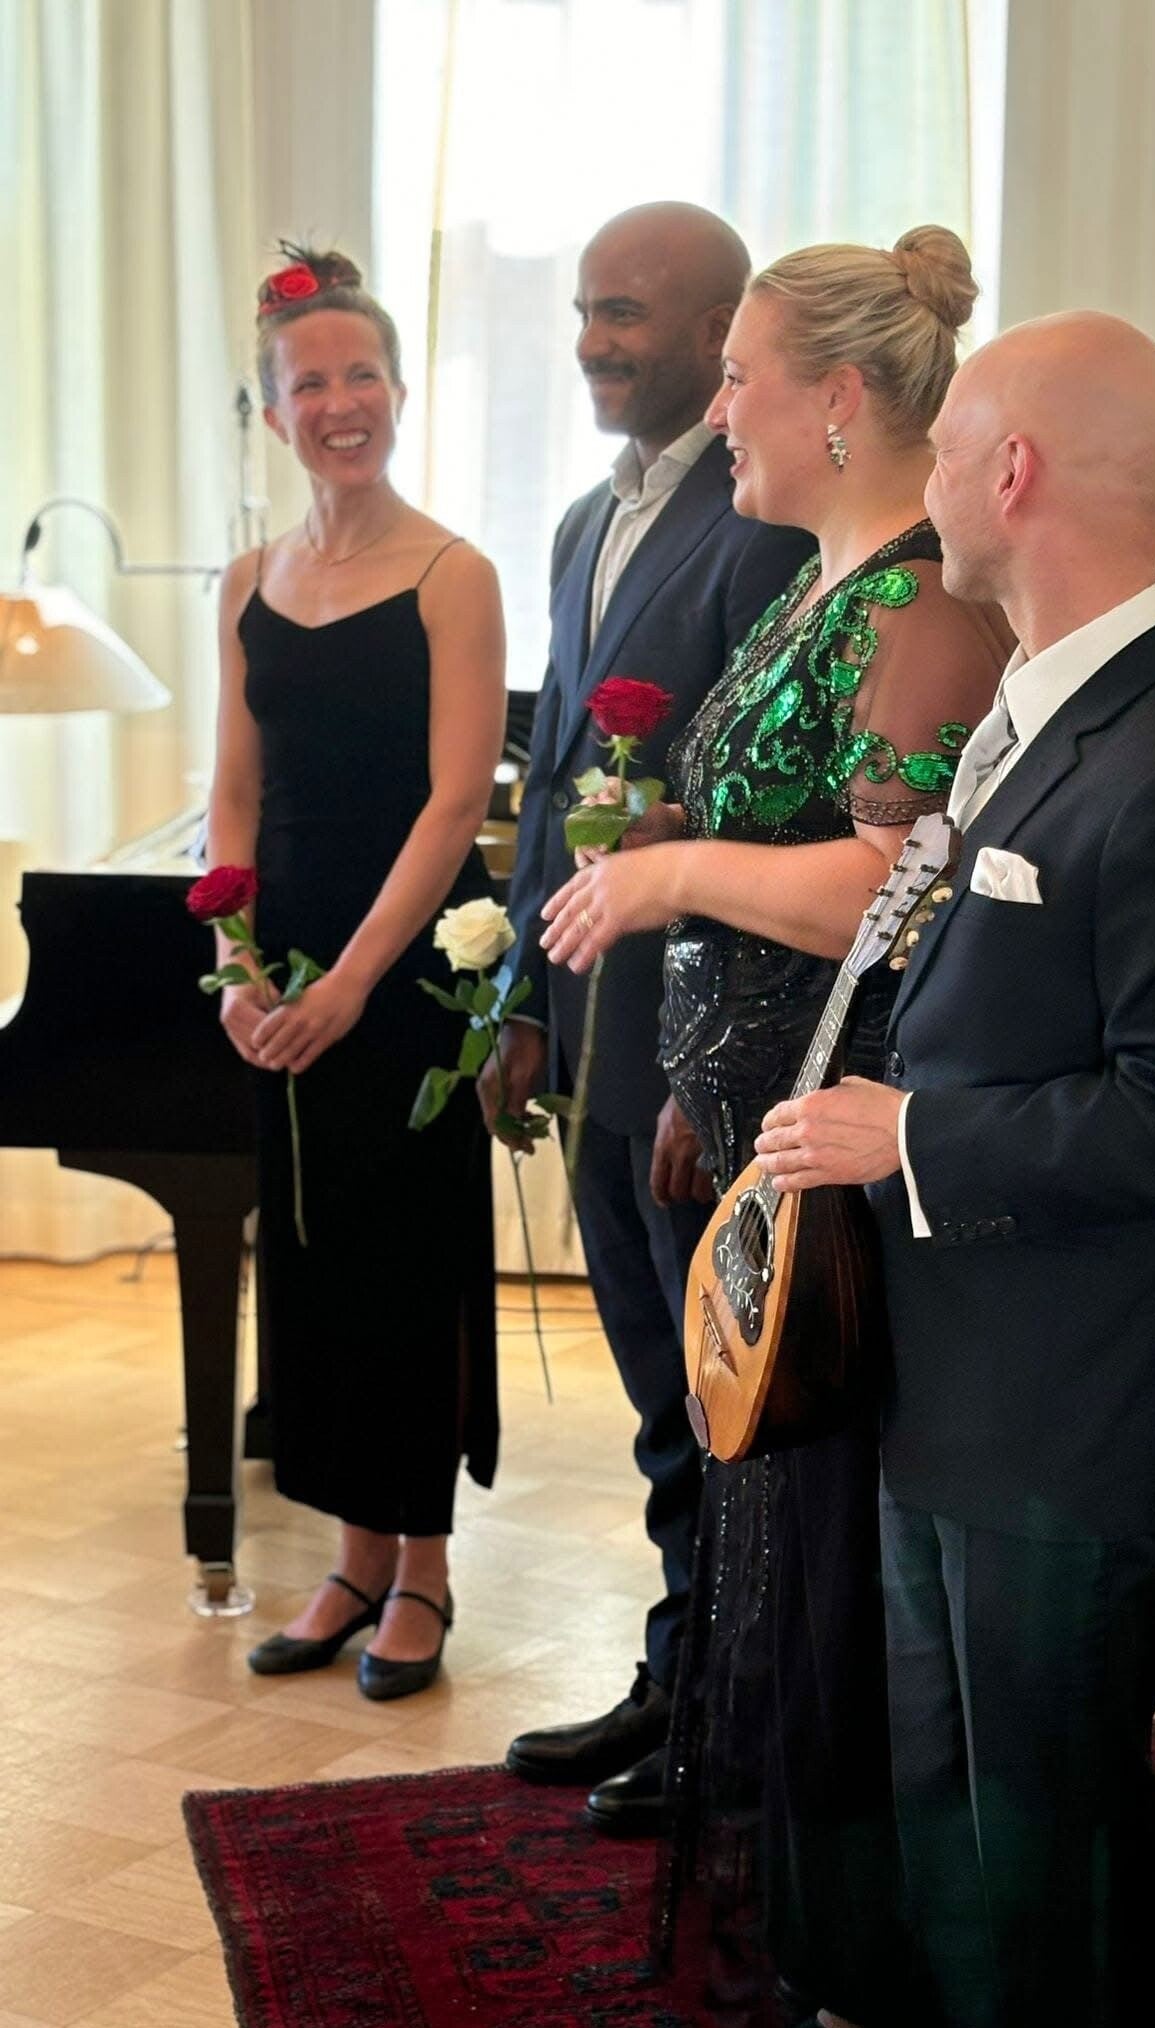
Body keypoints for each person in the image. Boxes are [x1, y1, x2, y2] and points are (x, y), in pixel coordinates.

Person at [753, 310, 1155, 2028]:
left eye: (943, 451)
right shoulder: (1033, 710)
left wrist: (904, 1137)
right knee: (950, 1812)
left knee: (1044, 1849)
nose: (920, 488)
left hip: (1067, 1410)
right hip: (951, 1375)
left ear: (1010, 471)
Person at [543, 230, 1010, 2028]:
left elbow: (894, 887)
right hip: (746, 1132)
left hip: (842, 1171)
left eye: (739, 375)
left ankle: (861, 1971)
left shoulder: (920, 602)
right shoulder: (814, 585)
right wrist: (690, 1073)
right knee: (760, 1547)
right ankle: (798, 1924)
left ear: (837, 399)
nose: (718, 407)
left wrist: (667, 875)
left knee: (828, 1574)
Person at [480, 202, 814, 1832]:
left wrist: (705, 1076)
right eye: (584, 313)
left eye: (624, 314)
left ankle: (729, 1718)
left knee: (714, 1392)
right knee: (651, 1389)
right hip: (584, 1017)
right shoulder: (576, 523)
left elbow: (757, 813)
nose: (594, 343)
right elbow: (556, 777)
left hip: (688, 1048)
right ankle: (678, 1672)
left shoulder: (763, 525)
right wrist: (518, 1006)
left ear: (713, 330)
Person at [208, 244, 505, 1701]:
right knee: (313, 1264)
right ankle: (350, 1555)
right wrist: (236, 966)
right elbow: (233, 797)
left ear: (396, 390)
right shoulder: (247, 581)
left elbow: (454, 807)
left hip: (414, 964)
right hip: (287, 969)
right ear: (273, 413)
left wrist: (350, 987)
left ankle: (424, 1567)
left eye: (363, 374)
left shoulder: (455, 575)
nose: (342, 402)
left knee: (406, 1264)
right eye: (311, 381)